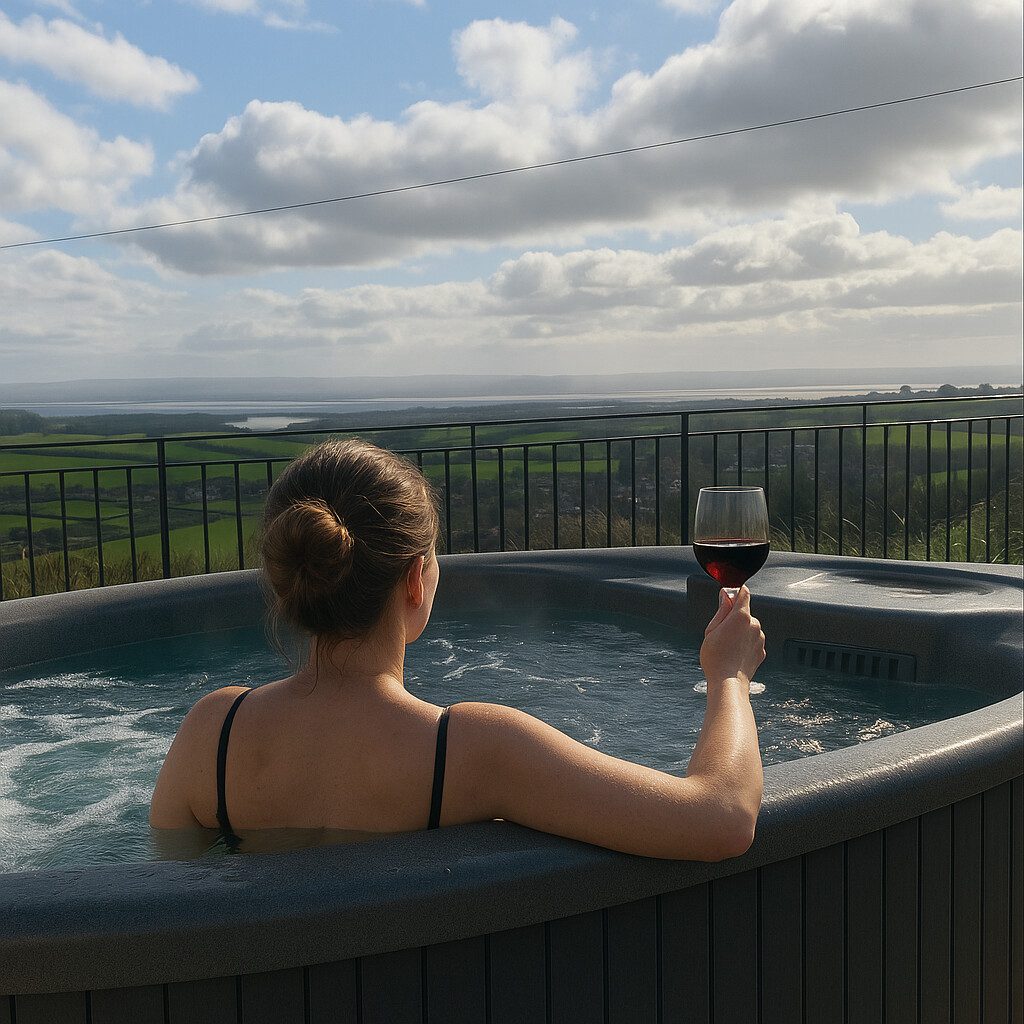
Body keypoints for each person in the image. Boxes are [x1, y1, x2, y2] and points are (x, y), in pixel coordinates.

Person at [150, 439, 765, 861]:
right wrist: (729, 676)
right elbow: (720, 819)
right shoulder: (471, 750)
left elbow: (167, 898)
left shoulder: (211, 732)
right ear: (415, 580)